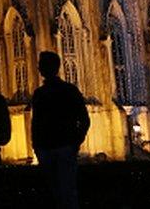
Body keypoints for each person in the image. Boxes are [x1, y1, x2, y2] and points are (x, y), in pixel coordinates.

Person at [31, 51, 90, 209]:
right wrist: (36, 146)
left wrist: (74, 143)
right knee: (57, 192)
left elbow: (84, 119)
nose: (39, 67)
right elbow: (36, 122)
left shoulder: (67, 91)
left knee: (65, 191)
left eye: (42, 64)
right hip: (49, 148)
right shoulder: (40, 93)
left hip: (61, 147)